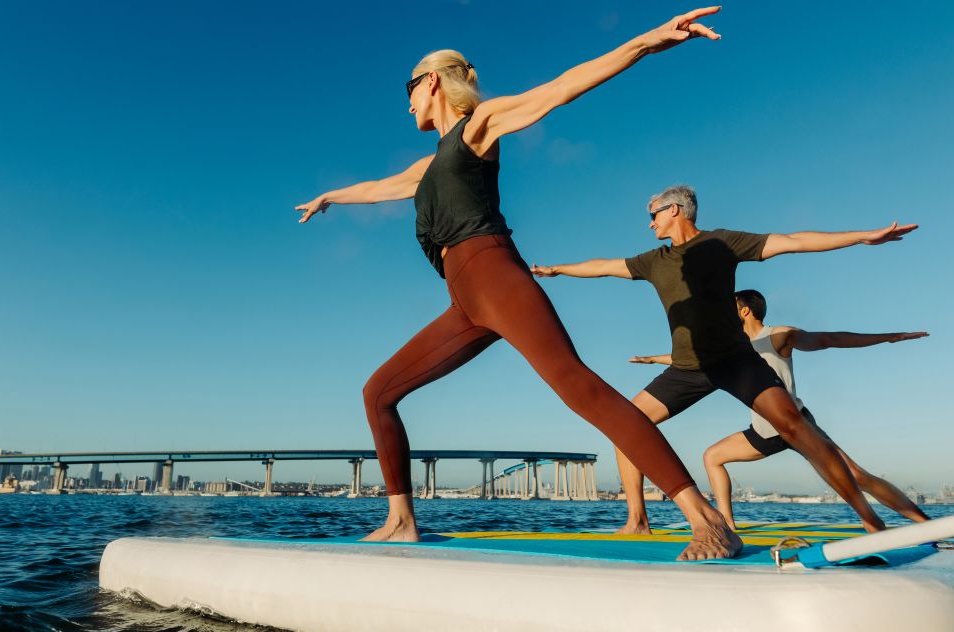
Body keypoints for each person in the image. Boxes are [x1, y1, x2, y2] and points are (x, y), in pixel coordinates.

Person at [296, 9, 742, 560]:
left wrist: (650, 41)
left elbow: (559, 88)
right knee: (379, 393)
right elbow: (380, 187)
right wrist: (330, 197)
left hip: (495, 277)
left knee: (581, 389)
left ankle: (707, 521)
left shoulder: (476, 128)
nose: (406, 102)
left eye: (408, 90)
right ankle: (401, 520)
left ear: (431, 81)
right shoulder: (430, 164)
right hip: (466, 300)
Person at [531, 184, 917, 534]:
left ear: (675, 210)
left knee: (796, 427)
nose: (649, 224)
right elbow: (603, 267)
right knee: (625, 424)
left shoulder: (722, 243)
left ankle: (871, 521)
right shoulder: (655, 261)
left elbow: (793, 241)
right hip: (687, 368)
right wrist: (557, 270)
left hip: (735, 360)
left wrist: (865, 236)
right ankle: (636, 521)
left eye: (653, 215)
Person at [630, 288, 930, 528]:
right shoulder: (732, 348)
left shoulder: (776, 335)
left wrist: (889, 337)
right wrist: (653, 360)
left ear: (744, 310)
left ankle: (923, 524)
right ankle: (729, 526)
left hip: (797, 424)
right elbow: (691, 360)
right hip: (764, 431)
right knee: (712, 457)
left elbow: (828, 339)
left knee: (857, 476)